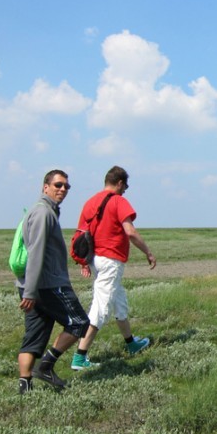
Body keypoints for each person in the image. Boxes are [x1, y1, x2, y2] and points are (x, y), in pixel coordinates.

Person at [71, 166, 157, 370]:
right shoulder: (118, 201)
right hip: (111, 261)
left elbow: (82, 234)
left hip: (96, 259)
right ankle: (79, 357)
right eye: (125, 186)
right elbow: (130, 232)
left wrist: (84, 262)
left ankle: (132, 344)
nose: (125, 190)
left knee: (119, 303)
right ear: (119, 183)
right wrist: (148, 252)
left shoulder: (90, 202)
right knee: (101, 308)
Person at [16, 170, 90, 393]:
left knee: (34, 336)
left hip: (35, 285)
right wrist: (30, 292)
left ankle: (24, 388)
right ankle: (46, 366)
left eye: (67, 186)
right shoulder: (43, 213)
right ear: (45, 187)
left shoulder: (45, 211)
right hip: (48, 285)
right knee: (79, 322)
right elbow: (36, 252)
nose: (63, 189)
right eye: (58, 185)